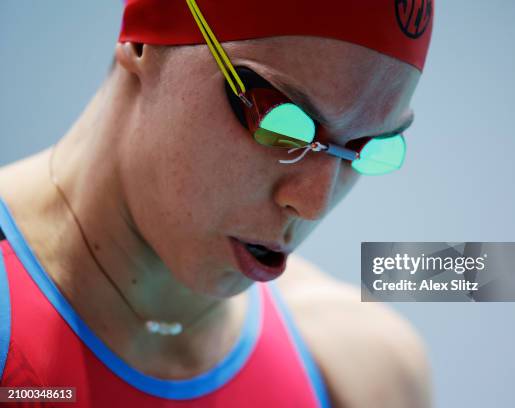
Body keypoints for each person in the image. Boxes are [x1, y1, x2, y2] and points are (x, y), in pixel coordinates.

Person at [0, 0, 434, 406]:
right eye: (277, 120)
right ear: (141, 42)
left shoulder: (368, 367)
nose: (312, 204)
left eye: (365, 149)